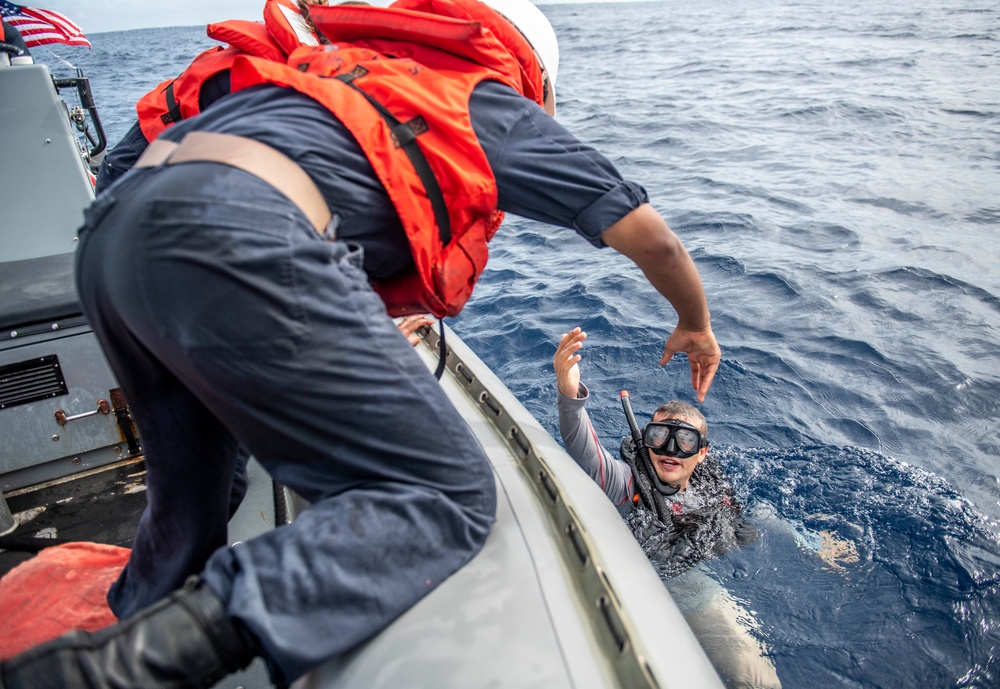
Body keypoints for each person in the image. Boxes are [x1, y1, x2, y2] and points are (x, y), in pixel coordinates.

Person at [0, 0, 721, 687]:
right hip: (237, 235)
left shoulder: (323, 73)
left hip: (111, 247)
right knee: (446, 492)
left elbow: (140, 166)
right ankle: (101, 673)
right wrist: (695, 321)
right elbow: (651, 237)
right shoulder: (483, 98)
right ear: (528, 72)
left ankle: (137, 613)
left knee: (199, 490)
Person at [553, 327, 780, 689]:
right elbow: (585, 450)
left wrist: (807, 539)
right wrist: (569, 390)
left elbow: (751, 515)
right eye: (659, 437)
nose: (670, 450)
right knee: (757, 678)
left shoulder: (710, 482)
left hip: (725, 563)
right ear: (646, 440)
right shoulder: (627, 483)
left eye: (685, 441)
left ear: (702, 453)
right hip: (677, 581)